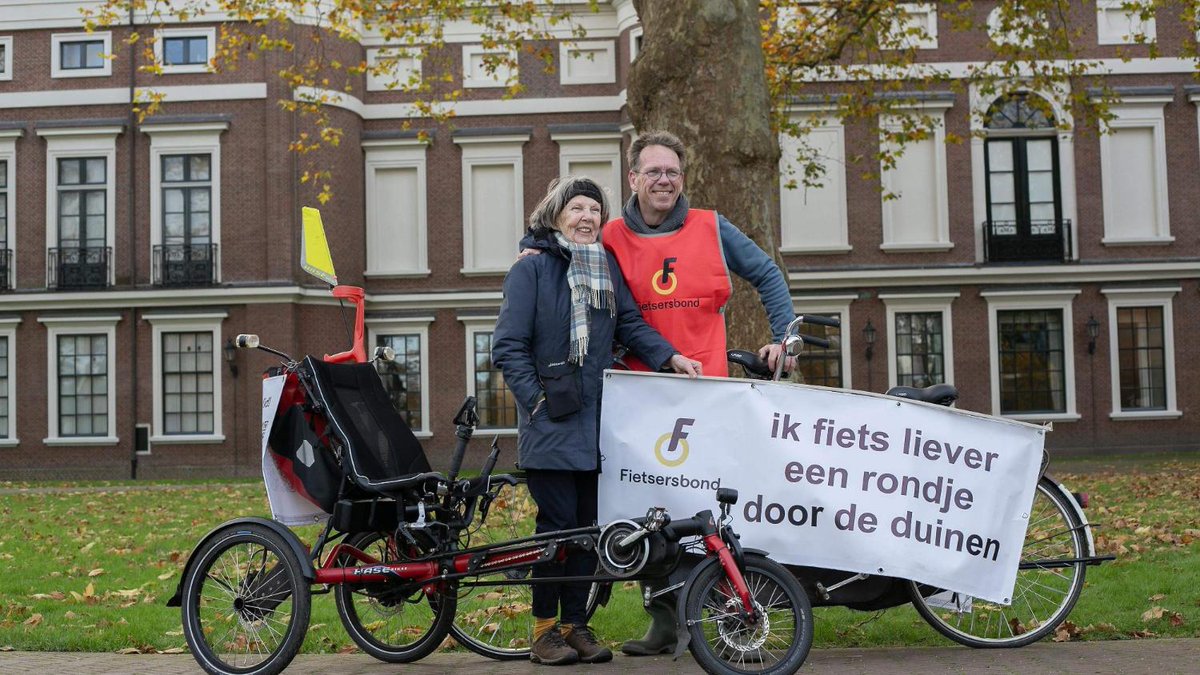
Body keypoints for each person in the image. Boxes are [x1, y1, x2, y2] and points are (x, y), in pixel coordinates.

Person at [491, 176, 701, 666]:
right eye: (576, 208)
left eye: (594, 209)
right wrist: (536, 402)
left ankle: (575, 626)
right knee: (557, 531)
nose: (586, 217)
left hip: (598, 425)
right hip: (551, 424)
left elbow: (628, 323)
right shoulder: (532, 271)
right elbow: (508, 346)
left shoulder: (604, 265)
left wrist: (670, 357)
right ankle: (544, 631)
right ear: (555, 214)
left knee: (588, 531)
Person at [605, 130, 797, 656]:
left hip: (705, 390)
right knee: (647, 509)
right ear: (634, 179)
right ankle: (663, 622)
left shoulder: (712, 227)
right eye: (653, 171)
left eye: (672, 171)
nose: (663, 180)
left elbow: (767, 275)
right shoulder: (609, 236)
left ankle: (724, 621)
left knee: (706, 508)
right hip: (639, 395)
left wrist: (783, 336)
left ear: (682, 178)